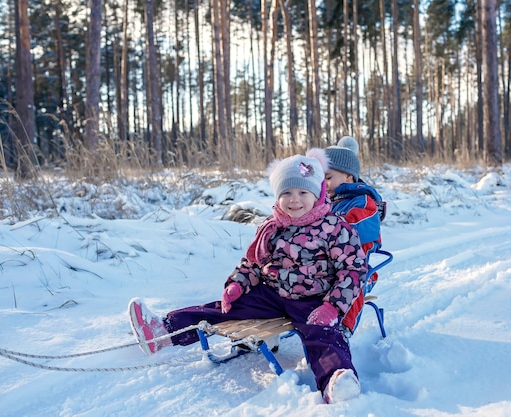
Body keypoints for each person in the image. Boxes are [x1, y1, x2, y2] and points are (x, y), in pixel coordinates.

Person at [128, 149, 368, 404]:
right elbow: (253, 263)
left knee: (323, 334)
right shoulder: (272, 227)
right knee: (221, 309)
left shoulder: (334, 227)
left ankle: (337, 380)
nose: (294, 200)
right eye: (286, 192)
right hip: (273, 294)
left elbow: (353, 269)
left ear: (318, 194)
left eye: (302, 193)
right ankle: (163, 332)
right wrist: (237, 284)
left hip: (315, 299)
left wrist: (332, 306)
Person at [325, 136, 385, 334]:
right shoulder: (326, 203)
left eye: (327, 178)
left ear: (349, 176)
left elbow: (353, 232)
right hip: (324, 270)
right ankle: (264, 329)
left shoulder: (364, 203)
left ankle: (343, 329)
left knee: (350, 279)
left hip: (359, 272)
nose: (323, 185)